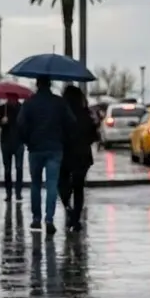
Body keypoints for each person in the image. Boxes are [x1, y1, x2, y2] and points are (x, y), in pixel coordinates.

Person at [16, 76, 78, 233]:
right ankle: (49, 218)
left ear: (37, 84)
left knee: (35, 184)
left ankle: (36, 219)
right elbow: (71, 122)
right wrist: (62, 138)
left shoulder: (29, 103)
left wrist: (27, 141)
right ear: (50, 84)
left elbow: (20, 124)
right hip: (55, 148)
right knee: (52, 183)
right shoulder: (59, 103)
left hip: (35, 148)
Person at [59, 85, 99, 231]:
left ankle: (68, 207)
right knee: (79, 187)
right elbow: (93, 137)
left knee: (62, 183)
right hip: (82, 155)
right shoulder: (85, 113)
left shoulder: (61, 113)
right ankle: (75, 218)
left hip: (64, 154)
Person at [0, 93, 24, 200]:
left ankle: (18, 192)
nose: (12, 100)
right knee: (7, 169)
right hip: (6, 142)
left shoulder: (22, 108)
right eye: (10, 98)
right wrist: (2, 121)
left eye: (14, 98)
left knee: (19, 168)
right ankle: (8, 193)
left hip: (19, 142)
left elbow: (27, 124)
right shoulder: (3, 108)